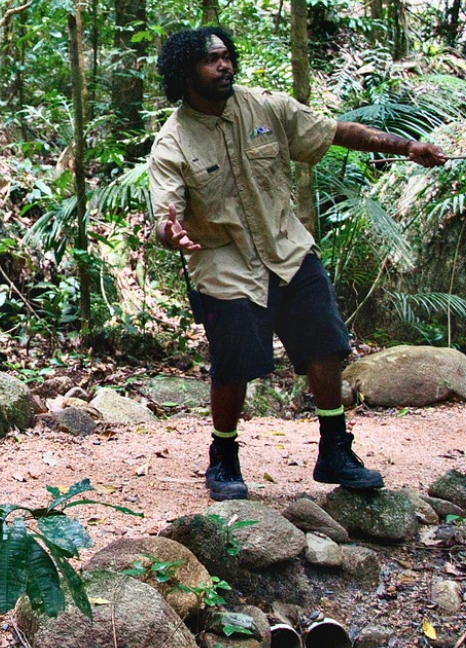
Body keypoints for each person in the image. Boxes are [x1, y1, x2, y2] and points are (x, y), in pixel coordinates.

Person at [148, 26, 448, 501]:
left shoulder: (267, 107)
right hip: (226, 263)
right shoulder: (173, 143)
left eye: (227, 56)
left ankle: (335, 449)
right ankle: (223, 457)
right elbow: (164, 216)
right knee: (234, 365)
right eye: (212, 61)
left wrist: (407, 148)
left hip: (287, 249)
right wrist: (173, 233)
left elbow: (336, 132)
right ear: (186, 73)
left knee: (326, 346)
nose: (224, 66)